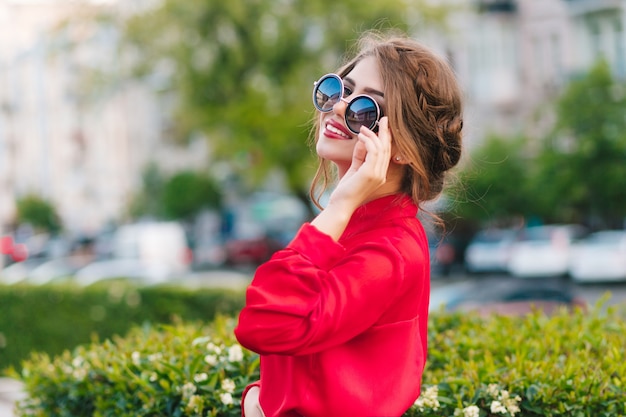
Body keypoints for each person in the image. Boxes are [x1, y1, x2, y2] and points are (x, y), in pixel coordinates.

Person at [234, 30, 463, 417]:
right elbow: (309, 352)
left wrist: (338, 205)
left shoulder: (390, 248)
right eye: (337, 90)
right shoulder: (348, 222)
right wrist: (260, 398)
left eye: (365, 109)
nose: (338, 109)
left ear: (402, 147)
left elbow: (264, 323)